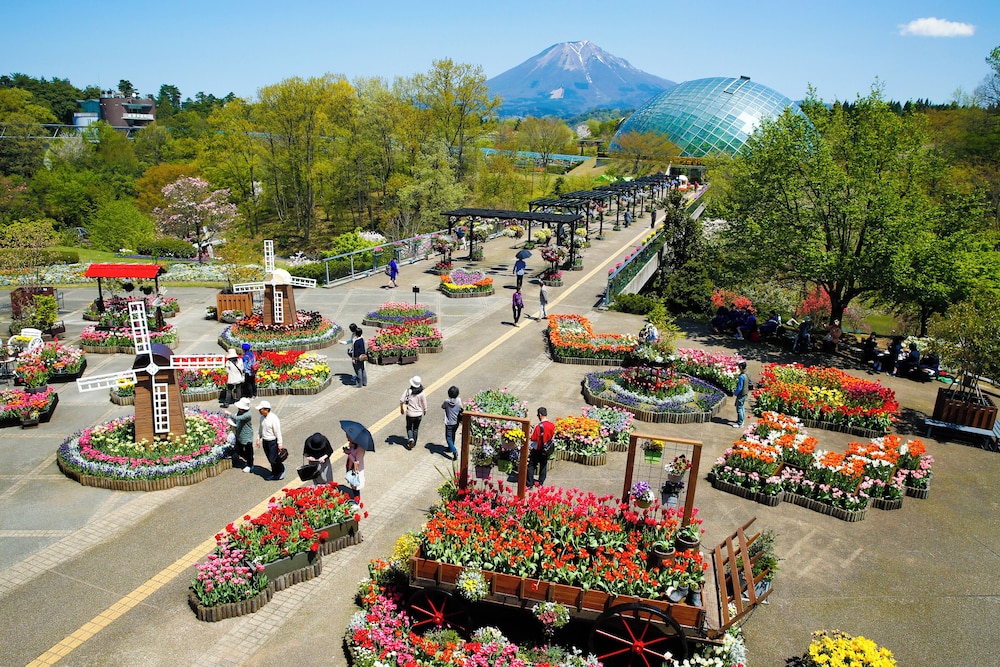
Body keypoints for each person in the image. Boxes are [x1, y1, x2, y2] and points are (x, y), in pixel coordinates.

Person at [255, 400, 285, 481]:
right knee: (269, 458)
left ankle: (278, 472)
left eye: (261, 409)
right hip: (265, 441)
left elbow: (277, 432)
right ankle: (276, 471)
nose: (259, 411)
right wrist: (258, 438)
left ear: (266, 409)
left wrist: (280, 443)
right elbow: (260, 429)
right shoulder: (262, 418)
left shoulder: (273, 418)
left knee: (273, 459)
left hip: (272, 442)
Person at [527, 407, 555, 486]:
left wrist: (529, 435)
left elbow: (534, 438)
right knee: (543, 466)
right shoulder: (552, 425)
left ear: (540, 415)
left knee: (531, 466)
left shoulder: (538, 426)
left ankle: (530, 483)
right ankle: (541, 482)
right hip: (546, 449)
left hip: (537, 449)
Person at [400, 375, 428, 450]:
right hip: (419, 414)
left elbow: (401, 400)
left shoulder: (408, 391)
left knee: (409, 427)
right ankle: (414, 443)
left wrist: (401, 408)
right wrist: (425, 410)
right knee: (416, 428)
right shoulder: (422, 392)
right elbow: (424, 402)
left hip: (410, 414)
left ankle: (411, 439)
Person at [231, 397, 254, 473]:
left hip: (247, 436)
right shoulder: (240, 412)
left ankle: (250, 465)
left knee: (248, 450)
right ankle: (249, 458)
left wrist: (229, 413)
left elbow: (238, 418)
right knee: (238, 450)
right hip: (239, 434)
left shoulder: (248, 414)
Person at [441, 385, 463, 460]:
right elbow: (461, 408)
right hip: (456, 422)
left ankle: (454, 450)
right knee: (453, 434)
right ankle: (450, 447)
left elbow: (443, 406)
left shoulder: (447, 401)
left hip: (449, 422)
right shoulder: (459, 400)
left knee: (448, 438)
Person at [343, 436, 366, 504]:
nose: (347, 439)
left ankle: (357, 501)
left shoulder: (360, 449)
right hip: (350, 467)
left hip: (356, 470)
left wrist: (349, 453)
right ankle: (356, 499)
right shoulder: (352, 444)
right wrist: (348, 450)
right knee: (353, 485)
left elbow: (357, 462)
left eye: (349, 437)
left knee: (355, 485)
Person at [732, 361, 751, 429]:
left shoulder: (741, 377)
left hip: (741, 394)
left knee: (739, 408)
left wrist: (735, 393)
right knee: (742, 407)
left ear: (740, 367)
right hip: (745, 393)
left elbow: (739, 388)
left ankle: (740, 423)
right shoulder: (747, 373)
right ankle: (742, 420)